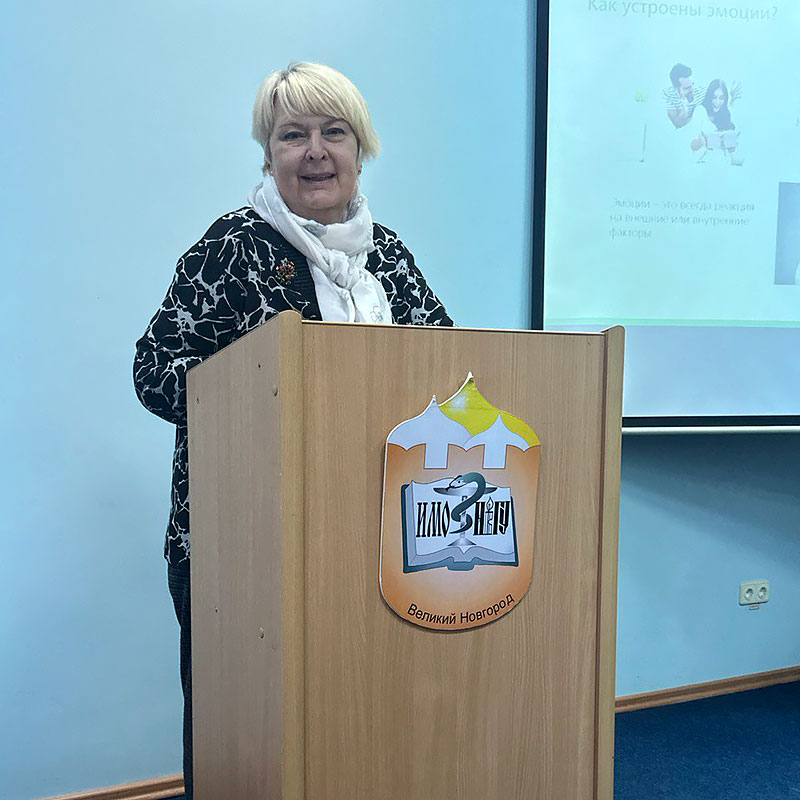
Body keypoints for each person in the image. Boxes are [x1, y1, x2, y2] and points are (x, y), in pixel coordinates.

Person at [133, 61, 453, 799]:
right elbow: (155, 370)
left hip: (373, 536)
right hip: (240, 544)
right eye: (292, 135)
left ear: (361, 147)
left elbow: (447, 364)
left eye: (333, 132)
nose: (315, 152)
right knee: (245, 736)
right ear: (268, 154)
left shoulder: (388, 256)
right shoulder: (232, 247)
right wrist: (258, 401)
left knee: (359, 725)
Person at [664, 63, 707, 129]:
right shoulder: (669, 96)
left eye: (692, 84)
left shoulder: (702, 91)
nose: (692, 89)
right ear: (677, 89)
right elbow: (678, 124)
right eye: (687, 88)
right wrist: (685, 108)